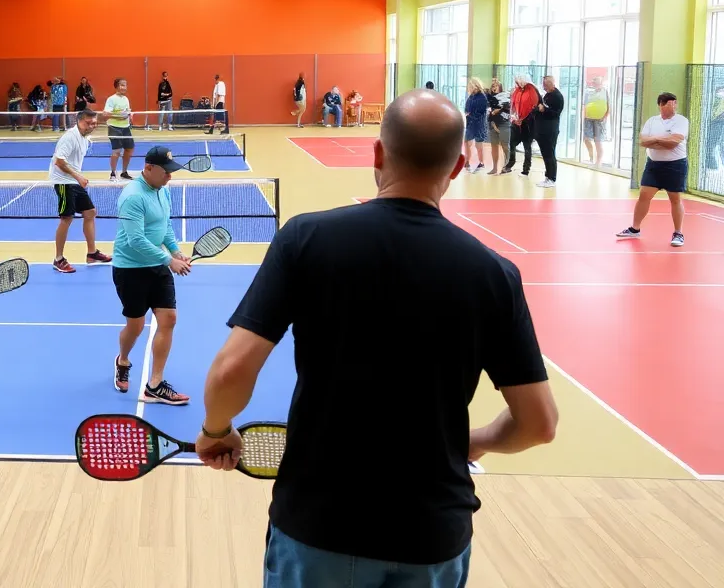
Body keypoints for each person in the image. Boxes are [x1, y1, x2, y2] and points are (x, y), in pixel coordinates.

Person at [193, 89, 557, 588]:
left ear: (378, 154)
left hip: (317, 525)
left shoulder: (305, 240)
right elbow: (539, 424)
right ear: (454, 169)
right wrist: (472, 442)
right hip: (431, 534)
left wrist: (216, 431)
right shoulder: (495, 274)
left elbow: (232, 370)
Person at [111, 146, 192, 405]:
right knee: (135, 327)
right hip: (130, 270)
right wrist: (168, 260)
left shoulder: (162, 190)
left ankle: (155, 385)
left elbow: (164, 225)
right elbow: (135, 240)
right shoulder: (133, 196)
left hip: (157, 265)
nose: (170, 176)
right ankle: (123, 360)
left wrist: (176, 251)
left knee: (169, 318)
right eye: (166, 172)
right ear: (148, 168)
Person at [617, 92, 690, 247]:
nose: (673, 106)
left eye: (674, 103)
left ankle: (678, 233)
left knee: (675, 198)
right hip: (653, 165)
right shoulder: (652, 121)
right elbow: (643, 141)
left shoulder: (681, 121)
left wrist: (655, 139)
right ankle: (635, 229)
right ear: (661, 105)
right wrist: (662, 140)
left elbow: (674, 142)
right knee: (644, 195)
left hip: (675, 165)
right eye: (669, 103)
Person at [50, 109, 113, 273]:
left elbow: (97, 117)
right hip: (63, 181)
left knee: (90, 212)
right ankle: (58, 259)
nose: (91, 126)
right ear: (78, 121)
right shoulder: (70, 137)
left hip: (73, 180)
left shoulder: (85, 136)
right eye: (88, 123)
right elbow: (59, 162)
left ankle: (92, 254)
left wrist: (104, 116)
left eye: (94, 123)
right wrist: (78, 177)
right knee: (66, 218)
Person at [503, 74, 540, 176]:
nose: (519, 82)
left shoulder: (532, 91)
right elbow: (513, 106)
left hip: (528, 125)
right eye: (518, 81)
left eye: (521, 80)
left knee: (527, 147)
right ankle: (510, 164)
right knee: (512, 144)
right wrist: (514, 117)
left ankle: (526, 169)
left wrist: (523, 119)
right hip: (516, 124)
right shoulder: (517, 91)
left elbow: (534, 108)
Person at [534, 75, 564, 189]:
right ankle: (547, 176)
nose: (544, 87)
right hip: (542, 130)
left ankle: (552, 178)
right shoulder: (547, 95)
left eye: (546, 85)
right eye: (543, 85)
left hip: (550, 130)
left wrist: (544, 109)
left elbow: (555, 113)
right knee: (545, 154)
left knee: (550, 154)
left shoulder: (558, 96)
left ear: (552, 83)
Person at [104, 78, 135, 181]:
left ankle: (124, 172)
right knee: (116, 151)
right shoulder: (111, 99)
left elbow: (127, 111)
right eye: (122, 85)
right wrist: (119, 116)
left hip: (125, 127)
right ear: (116, 86)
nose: (124, 87)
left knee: (129, 149)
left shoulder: (126, 99)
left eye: (125, 85)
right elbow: (106, 114)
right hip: (114, 127)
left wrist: (130, 115)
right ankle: (113, 173)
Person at [582, 75, 610, 167]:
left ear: (601, 83)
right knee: (586, 139)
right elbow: (586, 104)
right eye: (594, 82)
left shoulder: (605, 92)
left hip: (599, 120)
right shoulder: (590, 92)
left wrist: (605, 116)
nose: (595, 84)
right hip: (588, 118)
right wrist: (584, 115)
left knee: (598, 141)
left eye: (597, 82)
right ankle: (591, 157)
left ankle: (598, 161)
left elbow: (609, 105)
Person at [463, 78, 489, 174]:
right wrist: (467, 114)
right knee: (466, 142)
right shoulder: (471, 97)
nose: (469, 88)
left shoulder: (482, 97)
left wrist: (470, 115)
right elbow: (466, 108)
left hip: (479, 125)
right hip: (470, 124)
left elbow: (481, 112)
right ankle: (467, 161)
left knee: (478, 145)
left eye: (471, 86)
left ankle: (481, 162)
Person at [486, 78, 511, 175]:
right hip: (493, 123)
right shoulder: (490, 98)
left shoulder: (505, 96)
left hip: (504, 124)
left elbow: (506, 107)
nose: (494, 88)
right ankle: (495, 167)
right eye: (492, 86)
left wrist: (498, 110)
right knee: (494, 146)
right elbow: (489, 109)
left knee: (505, 146)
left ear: (500, 86)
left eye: (495, 86)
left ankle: (506, 166)